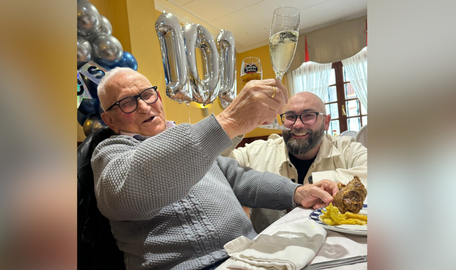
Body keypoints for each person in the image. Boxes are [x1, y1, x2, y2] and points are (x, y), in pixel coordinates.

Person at [90, 67, 339, 270]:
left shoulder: (187, 136)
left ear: (158, 97)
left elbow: (239, 178)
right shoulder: (110, 152)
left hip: (250, 255)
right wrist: (229, 121)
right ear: (109, 120)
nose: (145, 106)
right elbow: (126, 193)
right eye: (127, 103)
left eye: (147, 95)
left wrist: (296, 192)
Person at [226, 91, 367, 233]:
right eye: (290, 117)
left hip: (338, 246)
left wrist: (317, 182)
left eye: (308, 116)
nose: (298, 124)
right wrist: (234, 125)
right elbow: (216, 167)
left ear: (326, 122)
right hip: (272, 249)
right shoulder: (258, 152)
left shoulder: (347, 149)